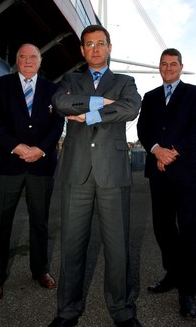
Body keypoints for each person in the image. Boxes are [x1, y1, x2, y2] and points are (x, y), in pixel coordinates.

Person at [48, 25, 142, 327]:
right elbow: (60, 103)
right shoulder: (70, 79)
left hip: (112, 172)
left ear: (110, 47)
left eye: (101, 43)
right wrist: (100, 102)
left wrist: (88, 113)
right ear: (82, 50)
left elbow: (131, 107)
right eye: (89, 44)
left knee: (117, 247)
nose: (95, 49)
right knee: (72, 245)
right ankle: (68, 310)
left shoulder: (125, 81)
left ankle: (122, 310)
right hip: (77, 171)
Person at [0, 43, 64, 302]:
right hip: (7, 165)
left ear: (40, 62)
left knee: (39, 223)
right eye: (23, 57)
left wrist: (40, 149)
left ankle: (40, 270)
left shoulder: (53, 90)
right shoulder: (1, 85)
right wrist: (18, 147)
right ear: (16, 61)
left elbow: (57, 123)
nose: (28, 61)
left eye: (33, 57)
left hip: (41, 165)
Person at [137, 48, 196, 319]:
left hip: (184, 171)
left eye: (173, 64)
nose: (168, 68)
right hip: (158, 170)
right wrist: (156, 150)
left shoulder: (194, 93)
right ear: (159, 67)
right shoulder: (151, 97)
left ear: (181, 66)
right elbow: (144, 129)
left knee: (189, 229)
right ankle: (173, 273)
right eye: (164, 64)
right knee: (163, 227)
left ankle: (187, 291)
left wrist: (172, 152)